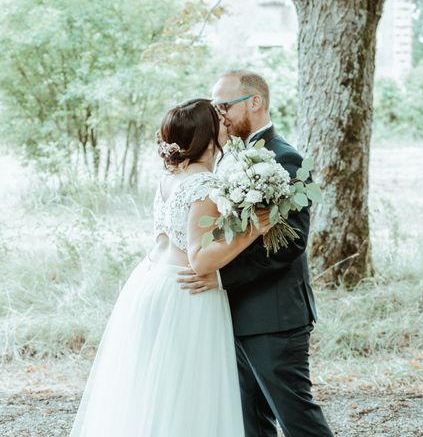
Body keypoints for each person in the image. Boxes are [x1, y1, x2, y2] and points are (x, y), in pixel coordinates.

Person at [69, 98, 274, 436]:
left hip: (150, 283)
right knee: (188, 394)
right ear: (208, 136)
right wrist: (253, 230)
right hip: (183, 294)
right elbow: (200, 258)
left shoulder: (169, 181)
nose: (226, 122)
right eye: (219, 120)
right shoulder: (204, 186)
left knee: (154, 392)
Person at [176, 70, 333, 437]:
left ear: (255, 102)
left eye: (224, 106)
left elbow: (289, 245)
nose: (219, 115)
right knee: (250, 424)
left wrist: (218, 275)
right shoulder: (227, 159)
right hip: (233, 315)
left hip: (274, 317)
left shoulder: (284, 160)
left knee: (298, 421)